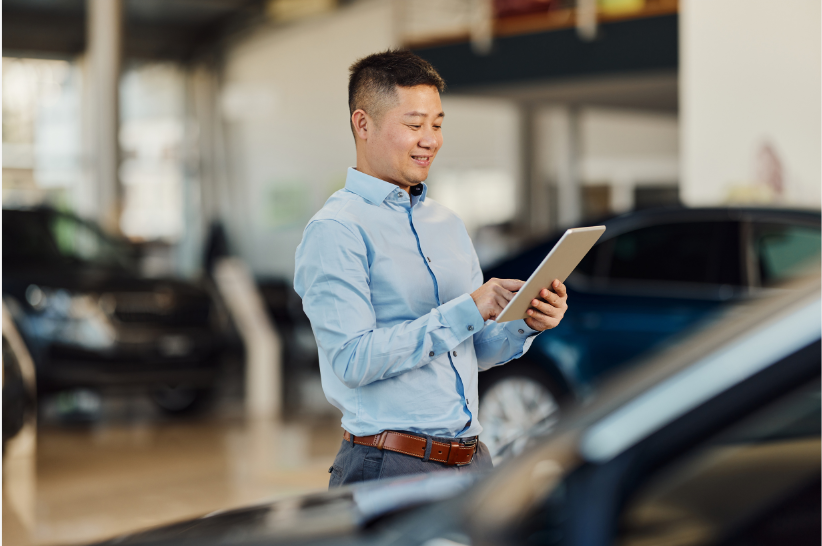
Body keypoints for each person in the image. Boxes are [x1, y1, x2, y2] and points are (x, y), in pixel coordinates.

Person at [294, 49, 568, 487]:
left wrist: (525, 324)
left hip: (473, 461)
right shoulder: (337, 230)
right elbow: (352, 360)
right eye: (414, 124)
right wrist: (468, 309)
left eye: (437, 125)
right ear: (362, 124)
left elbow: (473, 352)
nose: (431, 139)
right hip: (389, 466)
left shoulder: (447, 224)